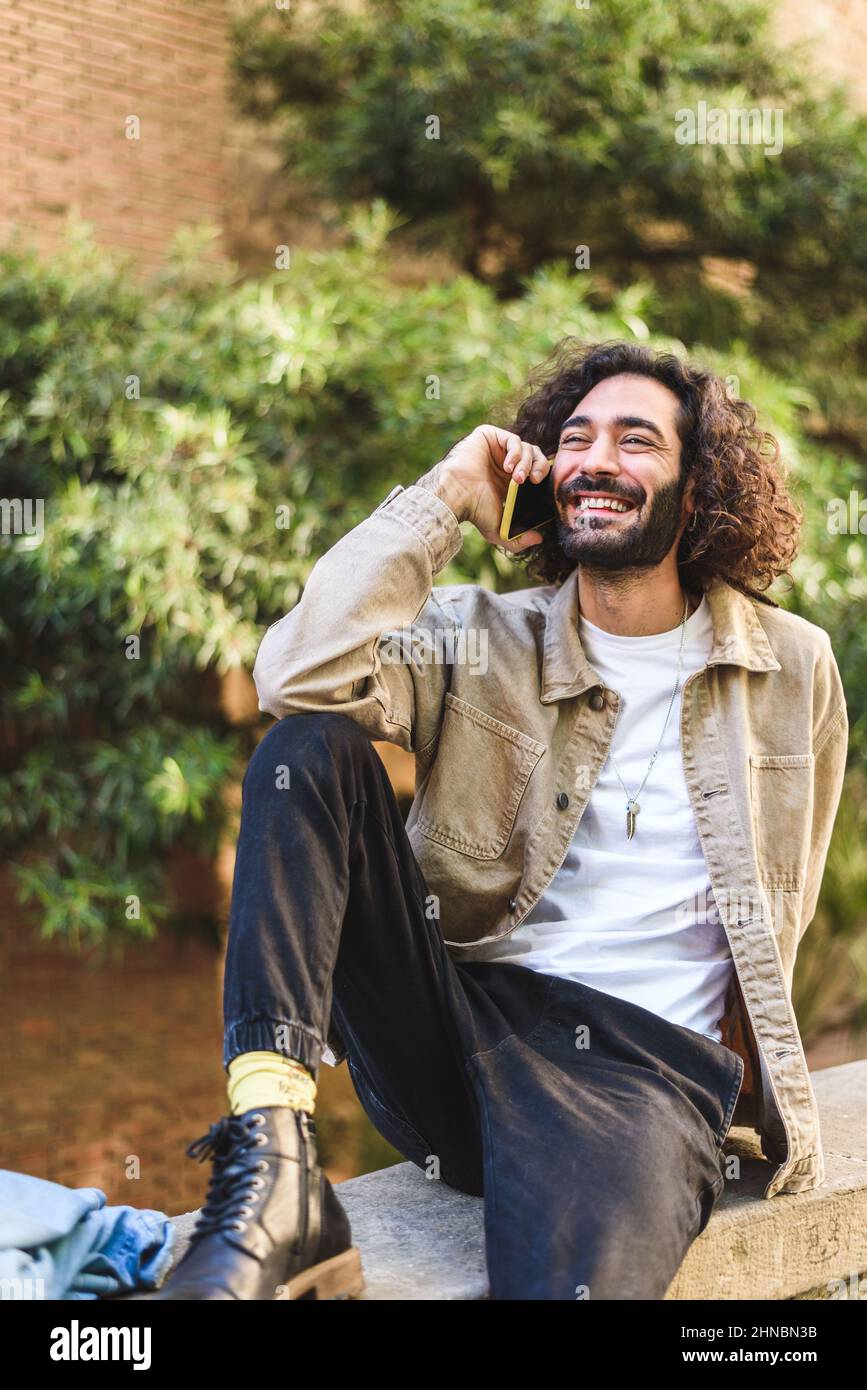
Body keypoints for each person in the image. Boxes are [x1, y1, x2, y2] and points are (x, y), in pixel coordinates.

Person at [154, 340, 848, 1301]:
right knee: (304, 756)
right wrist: (443, 498)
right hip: (457, 1032)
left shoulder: (790, 665)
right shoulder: (474, 634)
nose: (593, 459)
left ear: (696, 491)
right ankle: (272, 1162)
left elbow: (783, 898)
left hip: (638, 1074)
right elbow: (296, 680)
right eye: (573, 439)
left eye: (635, 440)